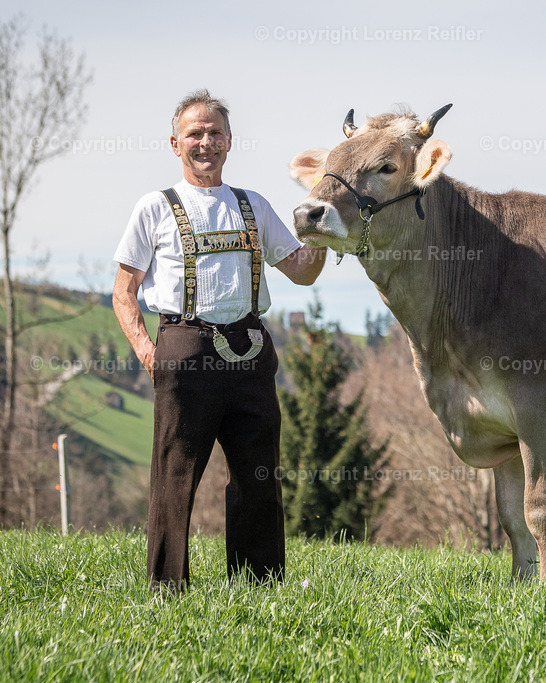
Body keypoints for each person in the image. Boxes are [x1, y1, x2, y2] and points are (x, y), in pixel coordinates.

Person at [112, 90, 326, 591]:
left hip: (251, 348)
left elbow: (300, 272)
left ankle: (259, 587)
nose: (205, 142)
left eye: (214, 133)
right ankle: (167, 589)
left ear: (230, 142)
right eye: (195, 134)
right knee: (174, 476)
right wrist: (151, 354)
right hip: (184, 348)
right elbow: (123, 293)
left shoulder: (254, 206)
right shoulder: (154, 207)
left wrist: (321, 234)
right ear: (175, 143)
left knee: (259, 476)